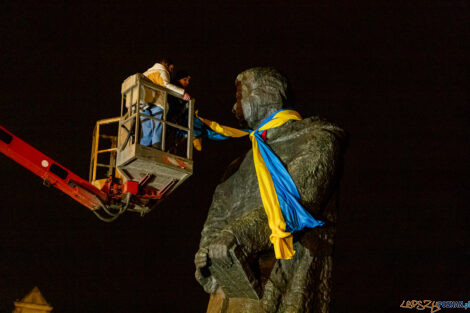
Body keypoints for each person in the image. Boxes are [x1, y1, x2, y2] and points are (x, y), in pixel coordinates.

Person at [194, 67, 346, 312]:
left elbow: (295, 204)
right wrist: (207, 254)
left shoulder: (316, 138)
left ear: (266, 94)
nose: (235, 109)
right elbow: (216, 218)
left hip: (280, 286)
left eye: (239, 96)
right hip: (225, 295)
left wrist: (236, 237)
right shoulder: (237, 166)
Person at [139, 58, 190, 148]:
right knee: (157, 123)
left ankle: (144, 145)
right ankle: (156, 145)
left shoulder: (146, 72)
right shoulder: (162, 71)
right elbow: (165, 85)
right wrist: (182, 93)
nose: (171, 71)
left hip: (143, 101)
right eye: (171, 68)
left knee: (146, 124)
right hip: (156, 101)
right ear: (166, 65)